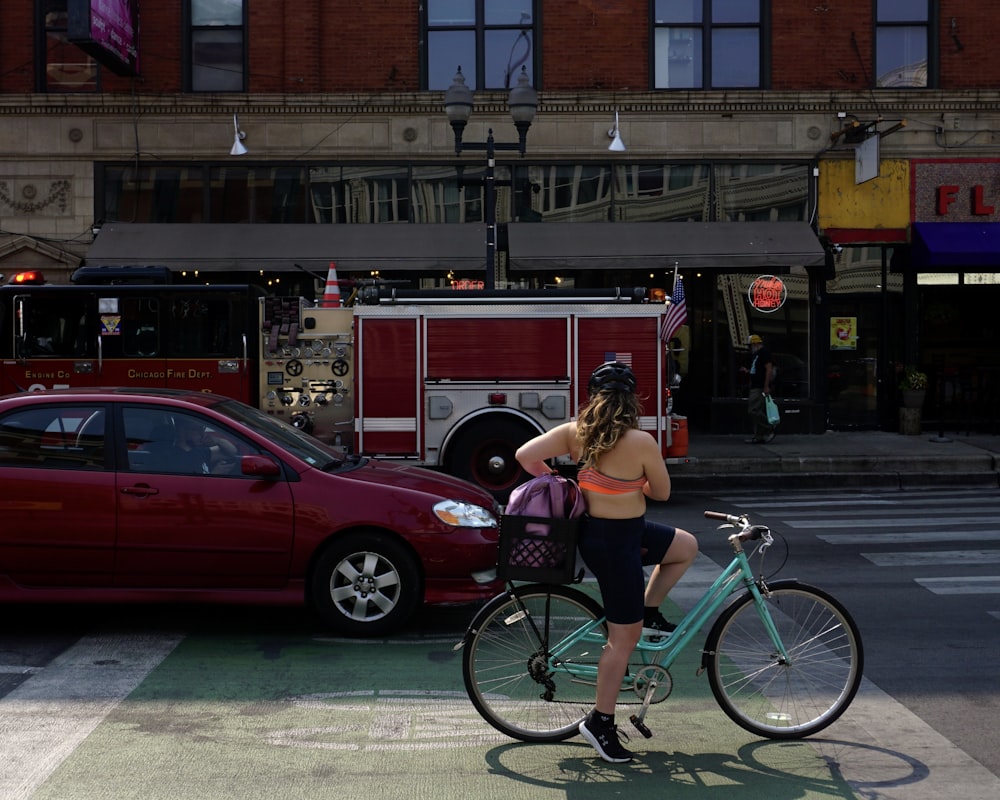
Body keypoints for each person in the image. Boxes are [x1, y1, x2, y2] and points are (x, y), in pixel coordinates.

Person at [514, 361, 698, 763]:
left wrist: (562, 481)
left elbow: (524, 455)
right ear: (632, 401)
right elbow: (662, 493)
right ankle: (600, 722)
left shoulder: (575, 433)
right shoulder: (641, 441)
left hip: (604, 535)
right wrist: (634, 482)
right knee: (622, 641)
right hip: (618, 544)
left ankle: (648, 611)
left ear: (593, 397)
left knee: (684, 546)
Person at [742, 334, 776, 443]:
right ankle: (759, 436)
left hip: (759, 386)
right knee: (757, 410)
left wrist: (766, 386)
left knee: (754, 410)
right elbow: (756, 370)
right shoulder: (757, 354)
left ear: (756, 344)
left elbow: (768, 369)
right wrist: (748, 372)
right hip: (755, 385)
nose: (750, 348)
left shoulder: (764, 353)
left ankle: (768, 428)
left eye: (751, 345)